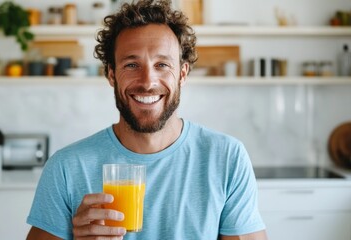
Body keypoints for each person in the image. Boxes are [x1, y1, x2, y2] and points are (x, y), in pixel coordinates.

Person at [26, 0, 267, 239]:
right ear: (111, 74)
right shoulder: (67, 167)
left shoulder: (226, 158)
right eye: (131, 64)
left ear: (182, 74)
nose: (147, 81)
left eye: (162, 64)